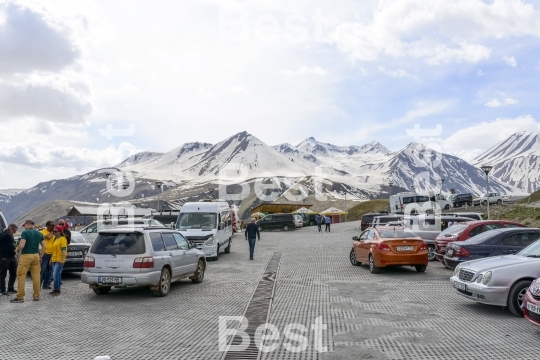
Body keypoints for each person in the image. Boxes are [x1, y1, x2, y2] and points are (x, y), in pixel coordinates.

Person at [10, 220, 45, 303]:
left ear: (28, 224)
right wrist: (41, 256)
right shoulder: (39, 233)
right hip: (36, 255)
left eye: (24, 225)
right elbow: (44, 246)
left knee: (21, 275)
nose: (24, 227)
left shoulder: (25, 233)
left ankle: (20, 297)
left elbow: (22, 245)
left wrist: (17, 250)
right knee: (36, 276)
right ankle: (36, 296)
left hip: (26, 256)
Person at [0, 224, 18, 295]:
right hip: (5, 257)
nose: (15, 232)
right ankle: (3, 289)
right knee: (3, 274)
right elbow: (11, 246)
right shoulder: (5, 235)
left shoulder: (9, 234)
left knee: (13, 273)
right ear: (10, 229)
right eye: (14, 230)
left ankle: (10, 288)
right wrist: (16, 250)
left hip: (10, 257)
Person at [50, 226, 67, 296]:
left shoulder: (62, 239)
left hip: (59, 259)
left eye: (55, 231)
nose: (54, 232)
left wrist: (63, 259)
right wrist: (51, 259)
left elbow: (64, 250)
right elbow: (53, 251)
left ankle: (56, 289)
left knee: (55, 275)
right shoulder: (55, 239)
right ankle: (57, 288)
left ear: (60, 232)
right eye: (53, 231)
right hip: (54, 259)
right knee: (58, 274)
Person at [40, 221, 55, 289]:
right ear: (47, 226)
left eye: (54, 225)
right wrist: (52, 231)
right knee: (43, 269)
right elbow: (49, 236)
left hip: (52, 254)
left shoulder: (54, 233)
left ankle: (46, 284)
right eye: (52, 225)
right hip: (45, 253)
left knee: (50, 270)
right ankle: (38, 283)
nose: (53, 227)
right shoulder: (43, 232)